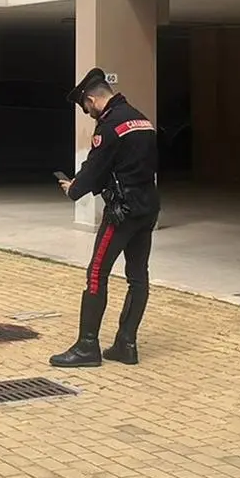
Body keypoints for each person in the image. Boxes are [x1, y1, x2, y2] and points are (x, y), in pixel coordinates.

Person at [51, 68, 161, 368]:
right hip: (148, 207)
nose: (88, 113)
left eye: (86, 107)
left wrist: (74, 189)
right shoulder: (142, 119)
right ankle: (127, 344)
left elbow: (97, 167)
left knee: (97, 273)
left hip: (121, 213)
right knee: (138, 277)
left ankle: (87, 347)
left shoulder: (109, 126)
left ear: (91, 99)